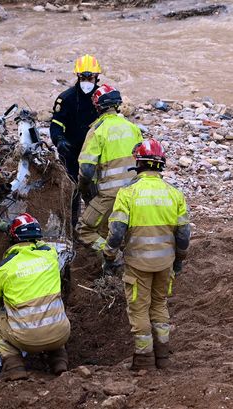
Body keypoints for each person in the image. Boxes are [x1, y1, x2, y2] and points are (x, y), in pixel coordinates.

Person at [103, 139, 190, 370]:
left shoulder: (128, 193)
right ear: (161, 165)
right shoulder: (175, 195)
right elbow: (183, 235)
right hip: (165, 263)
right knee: (160, 305)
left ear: (138, 165)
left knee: (139, 309)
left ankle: (143, 360)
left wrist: (109, 256)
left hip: (137, 263)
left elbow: (117, 232)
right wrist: (179, 260)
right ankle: (163, 357)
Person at [0, 213, 70, 380]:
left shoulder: (3, 268)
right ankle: (59, 362)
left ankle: (14, 367)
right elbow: (40, 244)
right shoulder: (50, 255)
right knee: (52, 315)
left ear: (14, 238)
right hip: (61, 333)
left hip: (28, 340)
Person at [75, 84, 143, 264]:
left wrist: (84, 190)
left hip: (109, 194)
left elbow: (87, 170)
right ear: (118, 104)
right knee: (121, 228)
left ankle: (113, 258)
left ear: (97, 106)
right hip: (135, 192)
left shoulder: (97, 130)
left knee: (85, 230)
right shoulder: (132, 128)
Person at [50, 54, 102, 226]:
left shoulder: (103, 98)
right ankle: (71, 224)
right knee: (72, 191)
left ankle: (94, 225)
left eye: (90, 77)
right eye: (83, 77)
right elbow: (56, 124)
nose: (87, 81)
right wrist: (59, 140)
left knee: (97, 192)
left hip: (96, 153)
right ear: (77, 77)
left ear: (97, 77)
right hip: (71, 152)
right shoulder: (66, 98)